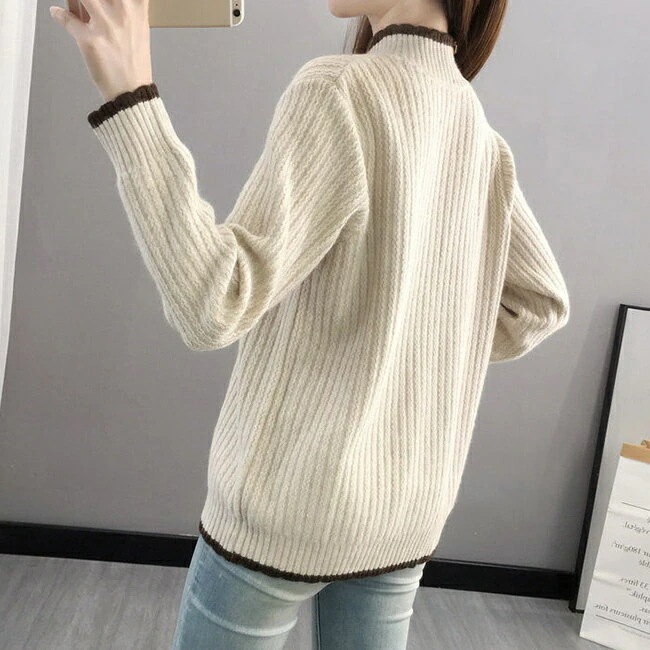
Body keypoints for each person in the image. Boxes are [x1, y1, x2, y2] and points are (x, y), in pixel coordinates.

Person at [50, 0, 570, 648]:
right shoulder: (477, 129)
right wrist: (406, 335)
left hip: (285, 509)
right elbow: (539, 304)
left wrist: (130, 96)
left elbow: (212, 303)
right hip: (406, 515)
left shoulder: (339, 90)